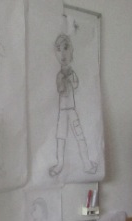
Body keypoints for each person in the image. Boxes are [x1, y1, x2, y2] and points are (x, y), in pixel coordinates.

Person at [49, 33, 97, 178]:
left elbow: (76, 85)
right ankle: (59, 165)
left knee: (79, 136)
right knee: (60, 138)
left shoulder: (72, 73)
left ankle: (87, 164)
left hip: (71, 110)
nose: (62, 53)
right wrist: (63, 79)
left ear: (71, 51)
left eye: (65, 48)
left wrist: (70, 77)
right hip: (63, 111)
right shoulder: (59, 75)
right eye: (59, 49)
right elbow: (60, 89)